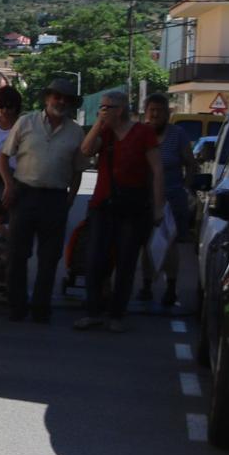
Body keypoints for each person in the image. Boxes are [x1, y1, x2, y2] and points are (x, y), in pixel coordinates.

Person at [0, 77, 88, 325]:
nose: (60, 102)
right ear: (47, 98)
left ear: (71, 104)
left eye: (66, 99)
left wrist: (70, 200)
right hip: (24, 193)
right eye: (56, 96)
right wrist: (8, 185)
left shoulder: (75, 131)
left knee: (50, 258)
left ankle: (41, 309)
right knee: (17, 255)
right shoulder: (26, 122)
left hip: (56, 198)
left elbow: (78, 170)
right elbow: (4, 157)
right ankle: (16, 307)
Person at [74, 90, 163, 332]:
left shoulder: (143, 133)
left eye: (106, 107)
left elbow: (156, 170)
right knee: (95, 259)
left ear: (120, 109)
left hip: (133, 207)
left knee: (126, 261)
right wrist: (98, 125)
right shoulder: (105, 132)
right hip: (103, 205)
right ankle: (93, 311)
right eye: (100, 107)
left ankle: (117, 314)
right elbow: (86, 150)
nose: (102, 110)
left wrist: (158, 207)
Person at [138, 92, 188, 308]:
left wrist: (187, 188)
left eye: (160, 110)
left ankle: (170, 287)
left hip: (172, 198)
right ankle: (147, 284)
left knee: (170, 243)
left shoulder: (178, 134)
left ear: (168, 113)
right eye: (152, 110)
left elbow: (191, 164)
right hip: (145, 198)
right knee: (146, 243)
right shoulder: (139, 134)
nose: (156, 114)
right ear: (146, 113)